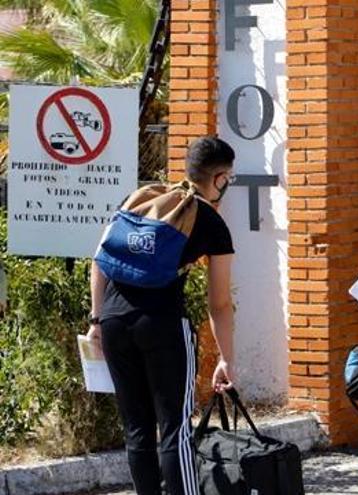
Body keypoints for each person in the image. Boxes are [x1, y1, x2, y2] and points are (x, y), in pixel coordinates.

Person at [87, 137, 237, 495]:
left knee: (137, 428)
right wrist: (226, 358)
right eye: (229, 178)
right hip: (163, 325)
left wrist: (96, 321)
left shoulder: (142, 198)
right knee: (175, 429)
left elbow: (100, 260)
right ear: (218, 178)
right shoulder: (210, 222)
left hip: (113, 322)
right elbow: (219, 303)